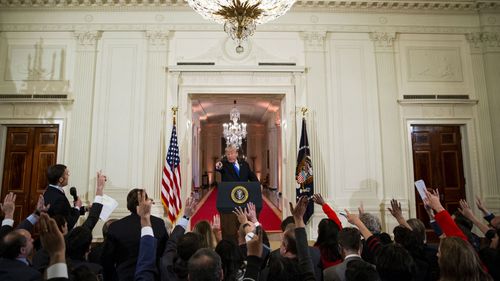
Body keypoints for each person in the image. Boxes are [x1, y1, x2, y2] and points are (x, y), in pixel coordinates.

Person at [101, 188, 168, 281]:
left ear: (128, 205)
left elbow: (107, 260)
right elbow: (165, 253)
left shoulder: (116, 227)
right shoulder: (159, 224)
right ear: (146, 203)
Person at [43, 164, 84, 230]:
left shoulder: (49, 191)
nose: (68, 176)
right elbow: (68, 223)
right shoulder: (59, 198)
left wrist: (85, 209)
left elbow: (65, 212)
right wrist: (77, 207)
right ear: (61, 179)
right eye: (67, 174)